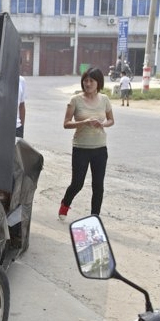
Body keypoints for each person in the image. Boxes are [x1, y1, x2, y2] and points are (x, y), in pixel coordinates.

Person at [58, 67, 114, 220]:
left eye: (91, 81)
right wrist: (84, 122)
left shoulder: (104, 99)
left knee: (98, 185)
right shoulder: (75, 100)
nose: (88, 84)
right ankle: (64, 205)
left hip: (100, 148)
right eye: (85, 81)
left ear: (98, 83)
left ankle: (94, 217)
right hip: (81, 148)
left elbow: (111, 120)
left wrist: (104, 124)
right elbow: (66, 123)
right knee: (77, 183)